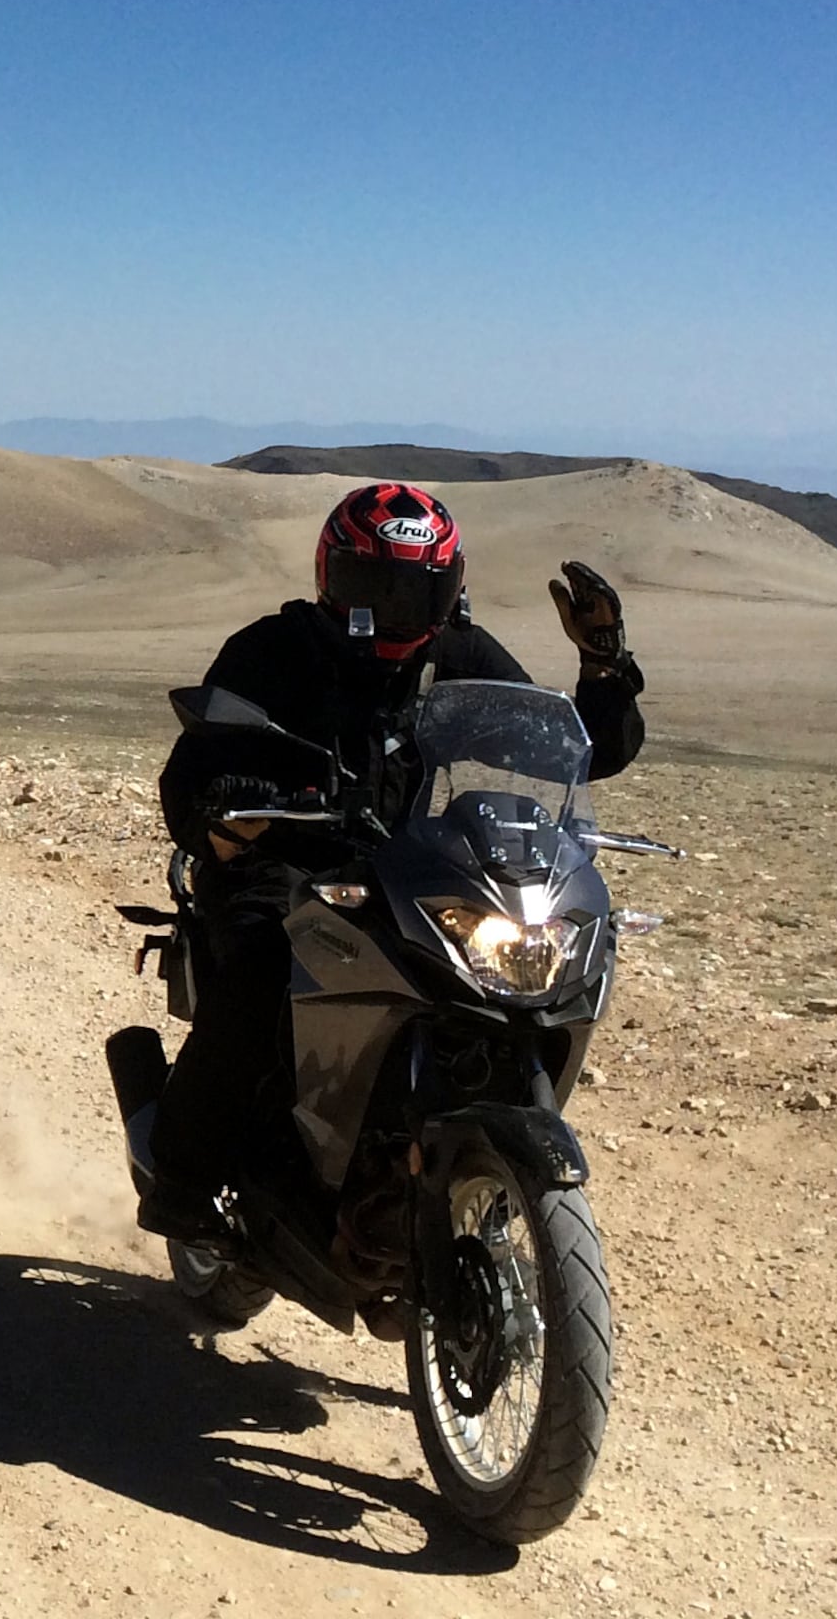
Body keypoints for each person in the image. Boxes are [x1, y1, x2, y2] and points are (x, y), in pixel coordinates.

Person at [140, 481, 645, 1242]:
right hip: (278, 860)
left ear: (449, 589)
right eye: (376, 584)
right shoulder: (275, 650)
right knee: (258, 970)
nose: (397, 606)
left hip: (405, 864)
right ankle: (183, 1173)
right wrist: (221, 811)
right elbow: (191, 773)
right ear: (331, 577)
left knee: (491, 983)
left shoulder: (457, 658)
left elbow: (573, 748)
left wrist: (602, 663)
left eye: (419, 588)